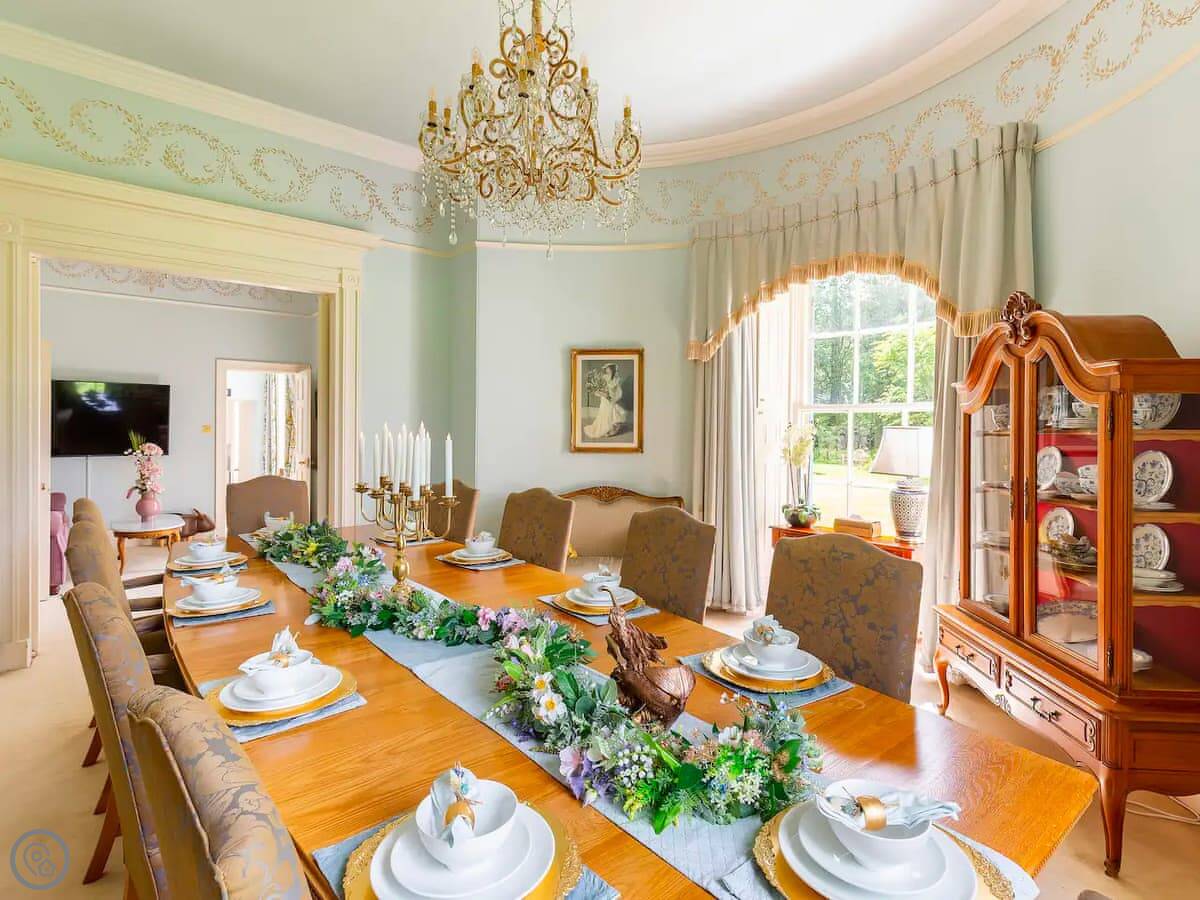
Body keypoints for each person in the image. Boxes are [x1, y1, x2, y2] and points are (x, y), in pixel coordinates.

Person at [584, 363, 627, 439]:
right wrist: (603, 393)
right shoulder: (604, 377)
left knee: (612, 412)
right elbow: (600, 387)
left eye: (608, 368)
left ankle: (611, 430)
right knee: (605, 412)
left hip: (611, 397)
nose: (607, 369)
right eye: (606, 368)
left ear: (612, 369)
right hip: (604, 398)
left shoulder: (616, 378)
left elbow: (617, 390)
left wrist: (612, 396)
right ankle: (605, 429)